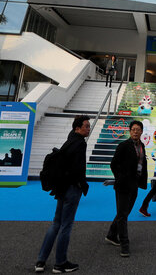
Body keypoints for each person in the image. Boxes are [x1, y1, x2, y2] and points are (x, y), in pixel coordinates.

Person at [35, 115, 90, 274]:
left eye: (88, 126)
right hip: (71, 189)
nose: (88, 128)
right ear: (77, 128)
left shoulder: (68, 141)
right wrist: (81, 184)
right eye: (86, 126)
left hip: (61, 188)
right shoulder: (79, 143)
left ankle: (41, 260)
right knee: (66, 225)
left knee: (56, 223)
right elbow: (77, 169)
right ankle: (60, 263)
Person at [106, 120, 147, 257]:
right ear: (130, 131)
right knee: (123, 215)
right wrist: (120, 177)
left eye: (138, 129)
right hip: (123, 185)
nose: (135, 131)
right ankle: (125, 244)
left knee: (125, 212)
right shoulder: (123, 145)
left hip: (134, 184)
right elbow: (113, 164)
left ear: (141, 132)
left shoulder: (142, 146)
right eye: (133, 129)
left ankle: (112, 234)